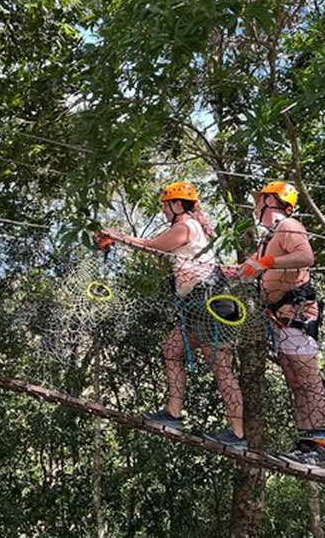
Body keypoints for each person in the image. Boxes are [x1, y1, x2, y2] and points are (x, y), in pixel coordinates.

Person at [98, 181, 248, 451]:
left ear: (177, 205)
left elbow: (151, 246)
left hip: (208, 304)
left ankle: (237, 434)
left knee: (221, 366)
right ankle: (173, 415)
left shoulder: (185, 226)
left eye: (165, 207)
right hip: (198, 305)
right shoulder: (193, 226)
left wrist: (116, 235)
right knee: (172, 349)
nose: (164, 212)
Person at [243, 180, 325, 466]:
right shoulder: (267, 238)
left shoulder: (288, 226)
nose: (256, 205)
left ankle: (320, 448)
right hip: (280, 318)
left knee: (307, 379)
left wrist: (266, 263)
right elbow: (245, 269)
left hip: (298, 313)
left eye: (260, 199)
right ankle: (307, 445)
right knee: (296, 381)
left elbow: (306, 257)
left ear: (270, 200)